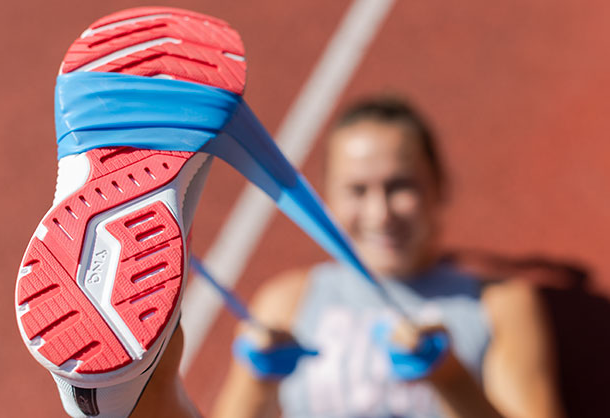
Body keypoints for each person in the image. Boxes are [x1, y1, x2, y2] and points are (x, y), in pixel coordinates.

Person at [211, 96, 565, 418]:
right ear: (327, 199)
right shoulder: (286, 300)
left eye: (399, 186)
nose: (380, 213)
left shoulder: (499, 303)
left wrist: (449, 377)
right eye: (357, 190)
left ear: (439, 185)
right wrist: (256, 383)